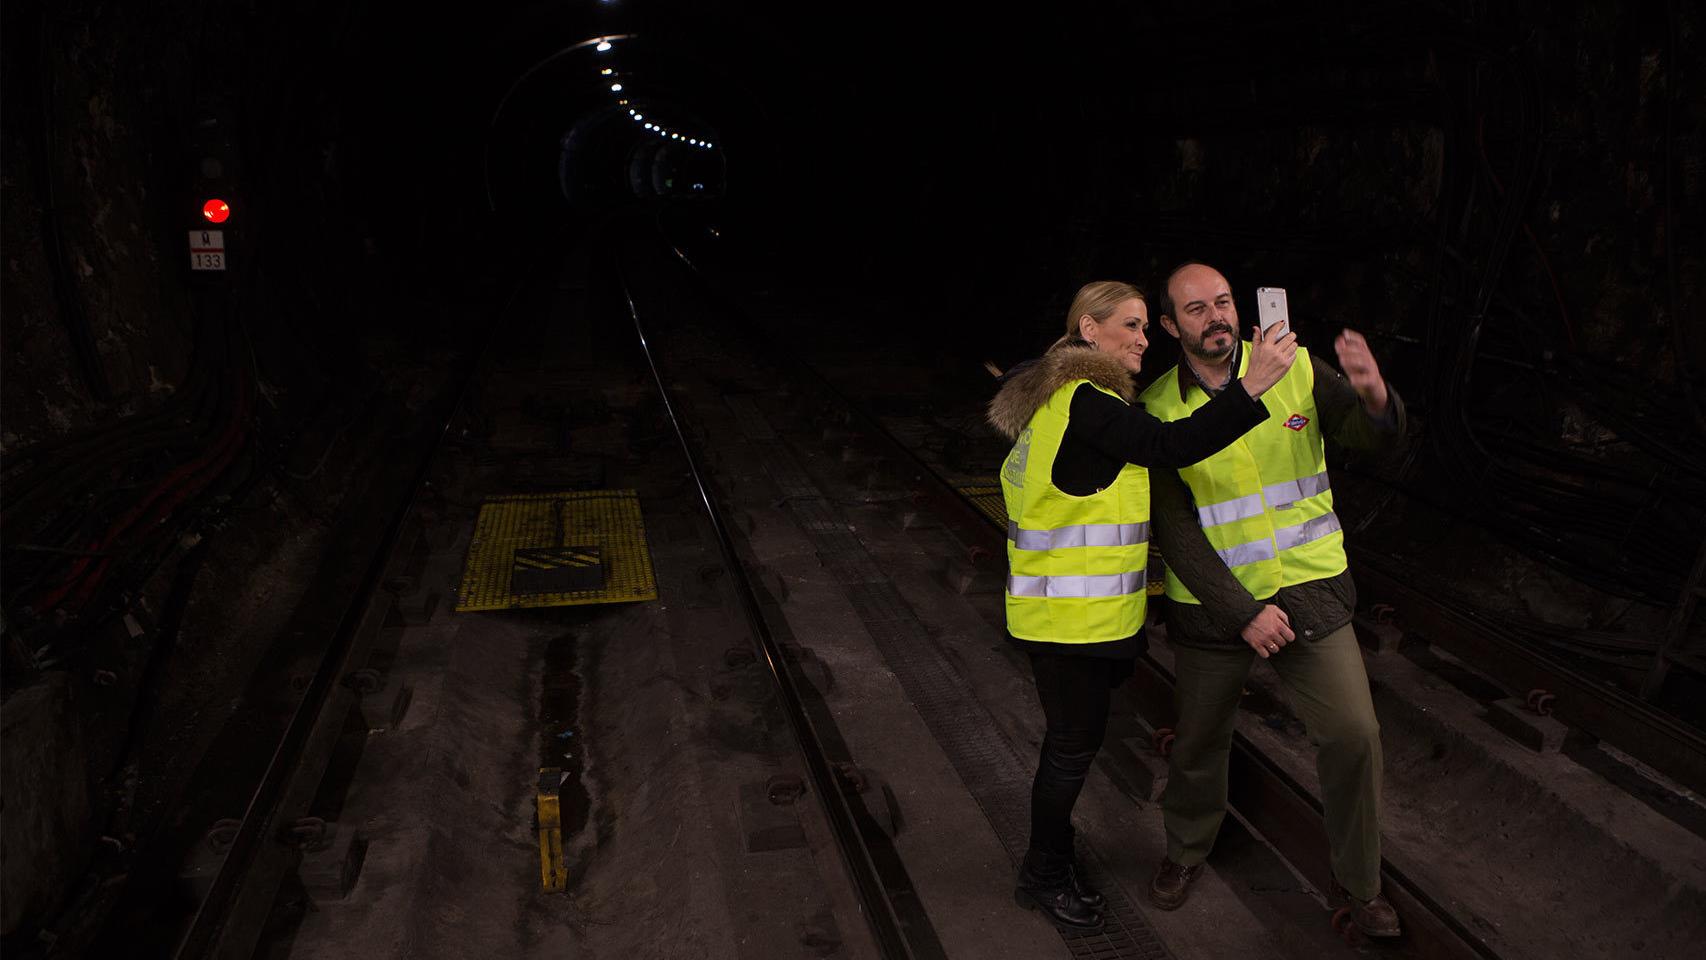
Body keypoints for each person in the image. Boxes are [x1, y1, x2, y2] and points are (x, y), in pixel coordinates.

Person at [987, 280, 1297, 931]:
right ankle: (1043, 873)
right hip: (1071, 625)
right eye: (1129, 325)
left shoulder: (1057, 397)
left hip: (1064, 618)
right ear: (1089, 331)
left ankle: (1053, 854)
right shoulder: (1088, 400)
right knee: (1069, 752)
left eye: (1144, 327)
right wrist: (1251, 388)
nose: (1142, 338)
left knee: (1070, 746)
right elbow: (1169, 445)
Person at [1137, 262, 1407, 937]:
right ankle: (1185, 851)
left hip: (1310, 592)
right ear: (1169, 325)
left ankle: (1361, 884)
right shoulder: (1158, 410)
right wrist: (1244, 614)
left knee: (1355, 735)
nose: (1217, 317)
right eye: (1196, 309)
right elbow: (1176, 530)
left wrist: (1376, 397)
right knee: (1199, 742)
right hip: (1215, 610)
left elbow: (1368, 437)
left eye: (1224, 301)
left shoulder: (1297, 365)